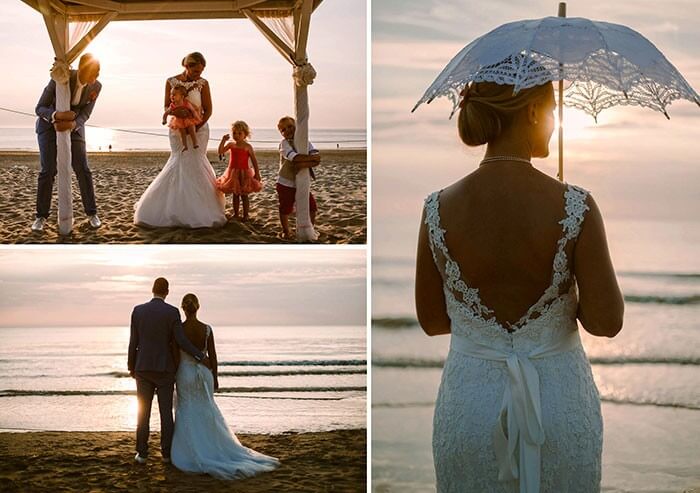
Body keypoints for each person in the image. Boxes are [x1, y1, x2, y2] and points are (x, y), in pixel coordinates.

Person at [415, 80, 624, 492]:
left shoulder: (436, 207)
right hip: (558, 407)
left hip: (470, 406)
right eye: (552, 109)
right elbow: (606, 322)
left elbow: (433, 321)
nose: (553, 123)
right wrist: (567, 297)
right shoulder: (575, 206)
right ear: (531, 111)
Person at [171, 293, 280, 479]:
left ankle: (191, 449)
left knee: (186, 409)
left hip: (185, 374)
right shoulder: (207, 329)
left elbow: (175, 356)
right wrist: (216, 377)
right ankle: (213, 445)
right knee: (206, 410)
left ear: (183, 308)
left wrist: (173, 376)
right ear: (198, 307)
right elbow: (213, 356)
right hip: (205, 375)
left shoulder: (179, 330)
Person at [134, 52, 226, 228]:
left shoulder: (203, 84)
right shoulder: (171, 81)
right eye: (194, 70)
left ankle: (201, 208)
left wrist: (197, 125)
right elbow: (166, 106)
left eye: (200, 71)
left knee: (196, 162)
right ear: (187, 66)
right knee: (180, 161)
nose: (197, 74)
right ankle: (171, 207)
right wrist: (177, 113)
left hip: (199, 129)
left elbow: (208, 109)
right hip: (177, 129)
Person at [128, 277, 210, 464]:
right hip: (165, 370)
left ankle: (141, 453)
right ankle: (166, 454)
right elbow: (180, 341)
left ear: (152, 289)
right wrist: (200, 356)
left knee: (143, 413)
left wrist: (131, 366)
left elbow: (134, 341)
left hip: (143, 368)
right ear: (167, 292)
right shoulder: (172, 312)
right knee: (166, 414)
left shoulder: (138, 311)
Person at [33, 53, 102, 232]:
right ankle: (41, 217)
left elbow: (86, 113)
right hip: (48, 127)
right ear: (82, 69)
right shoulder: (61, 77)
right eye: (91, 74)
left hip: (75, 128)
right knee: (48, 170)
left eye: (97, 75)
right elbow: (39, 107)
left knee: (82, 168)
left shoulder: (96, 86)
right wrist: (56, 116)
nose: (93, 79)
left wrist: (72, 124)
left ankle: (92, 213)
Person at [275, 116, 321, 239]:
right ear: (281, 133)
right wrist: (305, 160)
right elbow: (294, 158)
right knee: (285, 208)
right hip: (286, 183)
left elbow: (317, 159)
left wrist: (302, 164)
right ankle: (286, 230)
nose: (288, 130)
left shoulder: (304, 141)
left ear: (296, 126)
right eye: (283, 130)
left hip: (302, 182)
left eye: (290, 126)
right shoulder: (284, 144)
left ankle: (310, 227)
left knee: (312, 207)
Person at [215, 121, 262, 221]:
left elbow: (254, 160)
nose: (236, 135)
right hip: (233, 173)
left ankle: (246, 215)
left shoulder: (248, 147)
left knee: (244, 195)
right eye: (234, 133)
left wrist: (257, 173)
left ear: (245, 134)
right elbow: (220, 151)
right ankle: (236, 214)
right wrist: (223, 140)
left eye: (239, 133)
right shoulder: (231, 145)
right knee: (235, 194)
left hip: (244, 173)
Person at [162, 85, 202, 151]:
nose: (172, 96)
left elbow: (193, 110)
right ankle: (184, 145)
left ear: (182, 96)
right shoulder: (172, 105)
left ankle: (195, 142)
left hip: (188, 119)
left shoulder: (186, 103)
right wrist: (164, 120)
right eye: (171, 94)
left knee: (191, 128)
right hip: (178, 121)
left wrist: (196, 117)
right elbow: (166, 113)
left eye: (174, 94)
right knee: (182, 132)